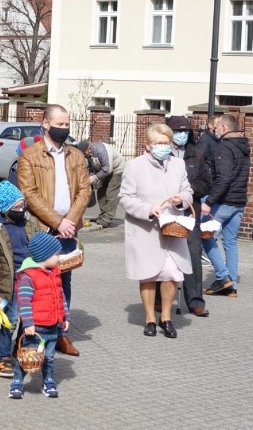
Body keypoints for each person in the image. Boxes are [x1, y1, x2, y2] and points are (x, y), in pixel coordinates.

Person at [17, 104, 89, 356]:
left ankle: (62, 333)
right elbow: (28, 193)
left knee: (63, 280)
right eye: (60, 124)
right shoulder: (30, 155)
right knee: (35, 280)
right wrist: (57, 221)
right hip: (42, 228)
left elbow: (84, 191)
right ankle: (31, 331)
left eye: (67, 124)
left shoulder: (76, 156)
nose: (64, 128)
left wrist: (70, 220)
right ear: (46, 124)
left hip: (68, 230)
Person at [119, 123, 193, 338]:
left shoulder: (178, 165)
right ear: (148, 145)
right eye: (158, 143)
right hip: (146, 228)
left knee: (171, 274)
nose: (163, 146)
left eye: (166, 142)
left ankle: (166, 317)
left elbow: (188, 190)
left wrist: (182, 200)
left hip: (173, 228)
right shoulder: (134, 166)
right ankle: (150, 317)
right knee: (148, 274)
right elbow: (125, 197)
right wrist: (148, 209)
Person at [0, 180, 38, 378]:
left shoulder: (30, 223)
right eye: (17, 206)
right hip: (10, 281)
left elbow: (38, 245)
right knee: (10, 320)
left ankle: (22, 348)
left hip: (30, 278)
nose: (21, 209)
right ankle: (3, 358)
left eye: (23, 205)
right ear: (6, 208)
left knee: (29, 317)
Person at [9, 231, 70, 399]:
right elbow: (24, 301)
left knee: (49, 357)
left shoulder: (55, 273)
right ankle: (17, 381)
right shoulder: (28, 276)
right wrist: (28, 323)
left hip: (52, 326)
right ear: (44, 255)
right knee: (28, 356)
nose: (59, 257)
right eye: (56, 254)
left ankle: (48, 380)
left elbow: (61, 296)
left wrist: (65, 316)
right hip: (35, 327)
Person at [165, 115, 212, 317]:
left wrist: (187, 192)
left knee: (193, 253)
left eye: (185, 131)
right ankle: (161, 299)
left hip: (189, 210)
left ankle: (195, 300)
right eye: (177, 131)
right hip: (166, 210)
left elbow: (206, 182)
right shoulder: (162, 153)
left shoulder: (196, 154)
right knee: (164, 255)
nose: (182, 135)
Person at [201, 114, 250, 297]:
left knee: (205, 236)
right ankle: (232, 285)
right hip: (239, 202)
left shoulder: (224, 147)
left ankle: (223, 276)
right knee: (230, 241)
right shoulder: (243, 145)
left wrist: (209, 201)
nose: (215, 129)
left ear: (224, 128)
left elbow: (224, 178)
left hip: (225, 201)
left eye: (217, 127)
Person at [75, 139, 125, 228]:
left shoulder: (101, 151)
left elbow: (107, 169)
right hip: (104, 171)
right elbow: (90, 168)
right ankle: (102, 216)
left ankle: (107, 219)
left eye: (84, 153)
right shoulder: (89, 155)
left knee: (111, 193)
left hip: (117, 170)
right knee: (101, 191)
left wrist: (94, 177)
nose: (84, 155)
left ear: (89, 149)